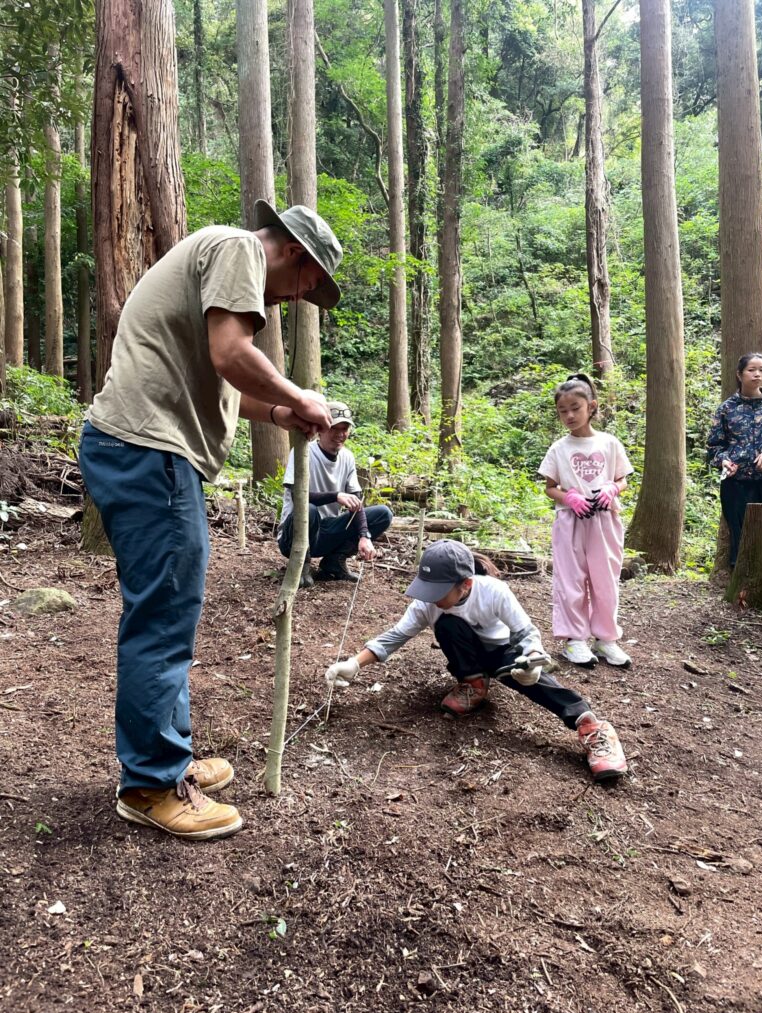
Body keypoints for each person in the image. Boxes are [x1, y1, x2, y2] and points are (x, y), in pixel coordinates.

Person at [78, 201, 343, 841]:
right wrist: (302, 395)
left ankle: (167, 758)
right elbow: (231, 354)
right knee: (164, 617)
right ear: (295, 257)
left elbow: (221, 379)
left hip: (142, 451)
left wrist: (280, 415)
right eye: (309, 287)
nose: (298, 299)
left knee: (171, 612)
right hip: (150, 452)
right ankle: (149, 783)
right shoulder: (238, 250)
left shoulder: (217, 258)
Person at [324, 540, 627, 783]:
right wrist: (354, 663)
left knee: (533, 682)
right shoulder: (427, 605)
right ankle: (474, 684)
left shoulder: (494, 592)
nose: (430, 598)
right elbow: (396, 635)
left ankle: (592, 727)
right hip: (469, 654)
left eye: (438, 591)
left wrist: (532, 662)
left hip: (505, 653)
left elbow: (526, 633)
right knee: (447, 625)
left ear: (465, 584)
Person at [538, 373, 633, 669]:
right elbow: (550, 486)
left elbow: (623, 479)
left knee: (606, 581)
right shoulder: (559, 448)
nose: (569, 415)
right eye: (563, 411)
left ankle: (606, 639)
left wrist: (612, 488)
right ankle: (574, 640)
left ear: (591, 406)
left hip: (604, 520)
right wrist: (569, 498)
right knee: (571, 580)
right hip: (570, 521)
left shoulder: (609, 443)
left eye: (575, 408)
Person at [277, 400, 393, 586]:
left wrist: (364, 535)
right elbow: (295, 496)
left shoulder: (347, 457)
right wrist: (335, 495)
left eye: (344, 429)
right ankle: (300, 565)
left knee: (382, 514)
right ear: (321, 429)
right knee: (309, 509)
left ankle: (334, 562)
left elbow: (356, 500)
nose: (340, 434)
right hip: (294, 535)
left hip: (326, 531)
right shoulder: (302, 452)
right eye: (334, 428)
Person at [706, 352, 762, 567]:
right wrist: (723, 460)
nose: (757, 374)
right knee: (740, 536)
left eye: (761, 369)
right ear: (739, 374)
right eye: (751, 370)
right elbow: (714, 447)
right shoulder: (726, 409)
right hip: (736, 482)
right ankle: (741, 586)